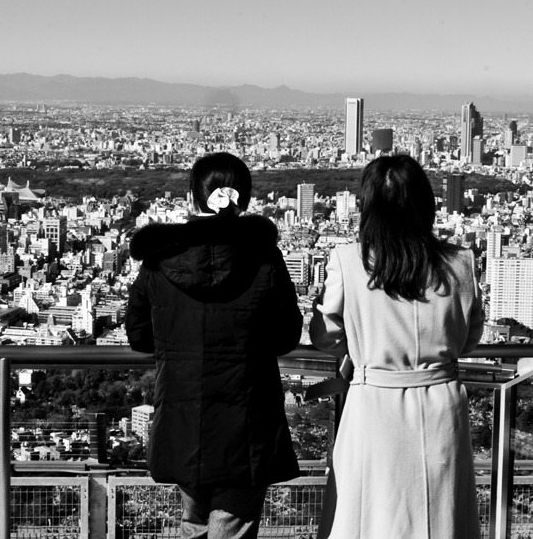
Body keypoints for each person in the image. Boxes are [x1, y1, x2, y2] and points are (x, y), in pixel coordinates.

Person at [126, 152, 302, 539]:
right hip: (248, 418)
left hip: (183, 411)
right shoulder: (264, 258)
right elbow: (286, 335)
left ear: (193, 196)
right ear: (245, 200)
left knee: (194, 525)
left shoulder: (159, 259)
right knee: (233, 528)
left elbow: (138, 335)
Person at [310, 154, 483, 539]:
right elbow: (470, 339)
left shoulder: (348, 261)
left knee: (369, 515)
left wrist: (354, 342)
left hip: (374, 403)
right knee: (441, 515)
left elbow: (324, 336)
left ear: (368, 205)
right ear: (425, 204)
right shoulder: (460, 263)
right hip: (442, 404)